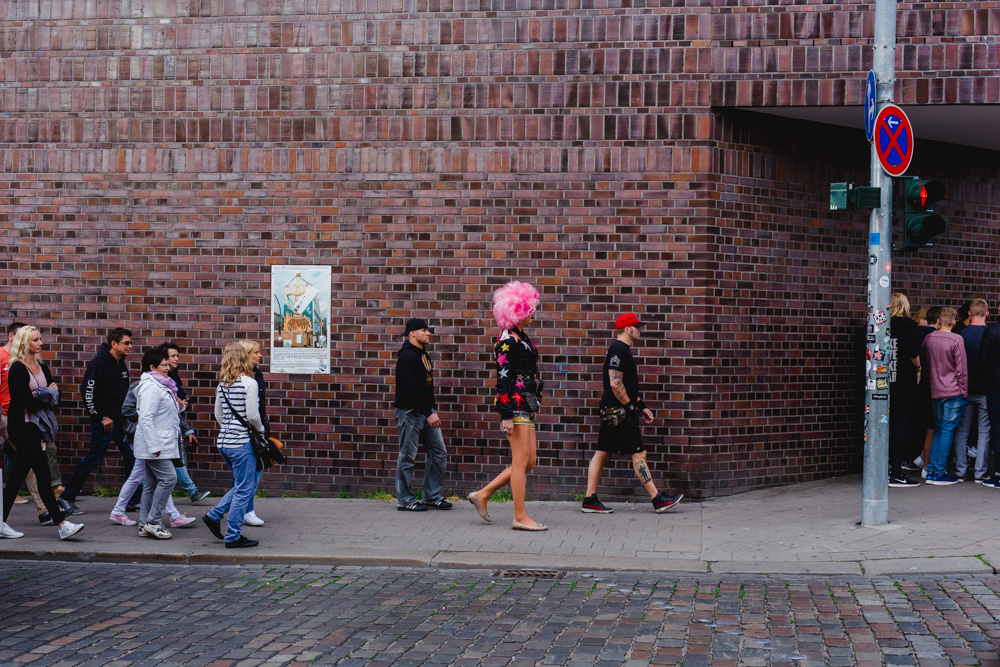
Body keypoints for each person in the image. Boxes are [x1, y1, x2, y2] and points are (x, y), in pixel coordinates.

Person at [581, 313, 684, 513]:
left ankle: (589, 499)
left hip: (612, 409)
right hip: (619, 412)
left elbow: (625, 385)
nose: (640, 329)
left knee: (602, 452)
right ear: (627, 329)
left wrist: (641, 406)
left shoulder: (620, 349)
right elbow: (615, 382)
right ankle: (657, 498)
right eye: (637, 327)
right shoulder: (619, 349)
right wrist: (630, 407)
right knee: (639, 453)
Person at [467, 281, 547, 531]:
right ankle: (520, 516)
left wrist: (534, 399)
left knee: (529, 461)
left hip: (526, 402)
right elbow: (503, 378)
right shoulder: (505, 340)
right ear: (518, 310)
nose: (533, 312)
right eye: (530, 308)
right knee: (520, 460)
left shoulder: (522, 337)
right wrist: (506, 415)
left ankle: (483, 494)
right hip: (514, 404)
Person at [1, 326, 84, 540]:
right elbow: (23, 400)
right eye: (35, 340)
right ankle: (61, 523)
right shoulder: (17, 368)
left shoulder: (41, 366)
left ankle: (0, 522)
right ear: (24, 342)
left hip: (39, 427)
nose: (40, 343)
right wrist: (47, 393)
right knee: (43, 474)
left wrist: (45, 394)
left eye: (40, 339)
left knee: (17, 477)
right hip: (23, 427)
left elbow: (56, 397)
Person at [60, 327, 134, 514]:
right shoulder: (98, 364)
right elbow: (88, 393)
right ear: (114, 343)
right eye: (126, 343)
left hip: (119, 421)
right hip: (104, 422)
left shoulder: (120, 363)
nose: (130, 346)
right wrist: (101, 417)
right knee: (93, 459)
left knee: (132, 457)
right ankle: (66, 498)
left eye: (130, 343)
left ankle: (133, 499)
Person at [108, 378, 196, 529]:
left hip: (155, 438)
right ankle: (169, 516)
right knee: (163, 478)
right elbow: (128, 410)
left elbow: (169, 414)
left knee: (147, 478)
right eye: (166, 362)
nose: (170, 364)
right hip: (146, 438)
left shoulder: (166, 386)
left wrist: (179, 407)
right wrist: (152, 415)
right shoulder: (142, 385)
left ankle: (123, 512)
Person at [202, 342, 263, 548]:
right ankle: (233, 535)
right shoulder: (249, 383)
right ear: (244, 358)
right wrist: (261, 431)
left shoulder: (223, 384)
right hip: (242, 444)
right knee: (245, 490)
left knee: (240, 485)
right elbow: (253, 415)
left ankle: (214, 515)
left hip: (225, 442)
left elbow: (218, 414)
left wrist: (230, 427)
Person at [394, 318, 451, 511]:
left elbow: (424, 387)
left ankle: (431, 496)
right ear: (412, 333)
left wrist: (430, 410)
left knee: (438, 453)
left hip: (426, 412)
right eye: (424, 330)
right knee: (408, 457)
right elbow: (412, 389)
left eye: (428, 330)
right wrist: (429, 412)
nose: (428, 333)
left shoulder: (421, 354)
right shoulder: (407, 357)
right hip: (410, 413)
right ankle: (405, 500)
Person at [133, 348, 183, 539]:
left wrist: (180, 406)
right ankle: (154, 522)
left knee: (151, 485)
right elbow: (145, 418)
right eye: (164, 365)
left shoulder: (162, 385)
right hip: (155, 445)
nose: (168, 368)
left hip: (159, 444)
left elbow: (164, 414)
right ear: (152, 367)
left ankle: (144, 524)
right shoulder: (151, 387)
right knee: (169, 478)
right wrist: (154, 447)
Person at [921, 306, 968, 485]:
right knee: (947, 430)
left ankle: (931, 470)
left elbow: (925, 364)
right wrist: (964, 391)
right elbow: (961, 369)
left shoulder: (928, 339)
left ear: (938, 321)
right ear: (954, 321)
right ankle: (939, 472)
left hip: (936, 390)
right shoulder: (957, 339)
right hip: (953, 391)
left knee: (941, 429)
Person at [160, 342, 209, 503]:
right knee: (153, 470)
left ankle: (190, 492)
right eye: (172, 356)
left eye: (177, 356)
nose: (176, 359)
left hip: (173, 426)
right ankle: (191, 492)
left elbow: (176, 405)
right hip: (164, 430)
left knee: (171, 463)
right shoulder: (161, 381)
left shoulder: (173, 377)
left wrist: (182, 403)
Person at [887, 294, 921, 488]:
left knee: (880, 427)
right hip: (904, 384)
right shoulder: (909, 326)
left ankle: (880, 470)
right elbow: (913, 353)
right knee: (899, 427)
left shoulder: (877, 324)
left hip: (881, 385)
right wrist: (918, 369)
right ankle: (897, 472)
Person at [954, 299, 990, 482]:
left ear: (969, 314)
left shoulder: (961, 334)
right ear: (987, 313)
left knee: (962, 431)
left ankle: (960, 470)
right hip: (985, 389)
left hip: (965, 388)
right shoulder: (990, 334)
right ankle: (980, 472)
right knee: (984, 431)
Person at [238, 339, 267, 527]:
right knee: (250, 472)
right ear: (246, 354)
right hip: (249, 431)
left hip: (258, 428)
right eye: (255, 352)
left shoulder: (257, 374)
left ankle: (243, 508)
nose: (260, 355)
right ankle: (245, 509)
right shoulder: (243, 378)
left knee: (255, 469)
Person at [909, 306, 941, 475]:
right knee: (933, 426)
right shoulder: (934, 337)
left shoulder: (916, 334)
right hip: (933, 386)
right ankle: (927, 464)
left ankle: (920, 457)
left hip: (916, 386)